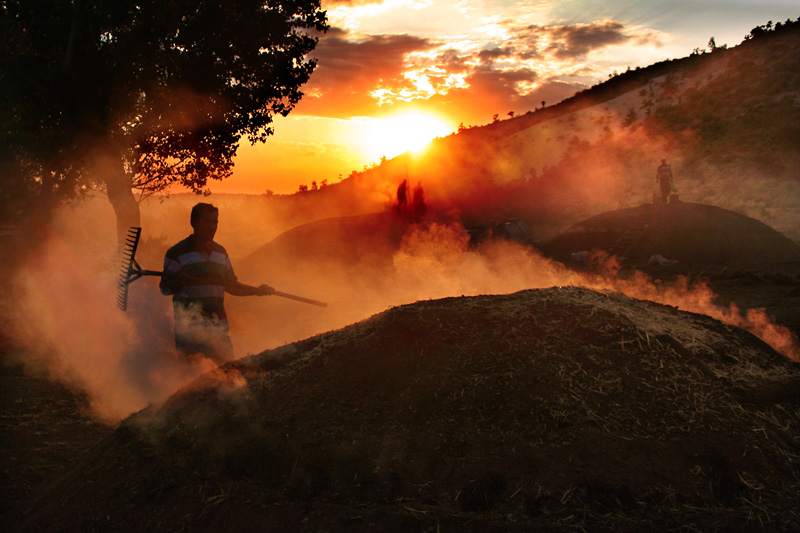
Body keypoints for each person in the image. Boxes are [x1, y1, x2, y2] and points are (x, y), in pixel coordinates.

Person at [159, 203, 274, 363]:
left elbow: (231, 286)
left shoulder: (221, 253)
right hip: (190, 336)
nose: (212, 227)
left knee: (229, 379)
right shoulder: (176, 253)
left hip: (219, 332)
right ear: (193, 223)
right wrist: (179, 280)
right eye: (207, 222)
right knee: (194, 384)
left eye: (215, 222)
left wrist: (258, 290)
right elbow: (164, 288)